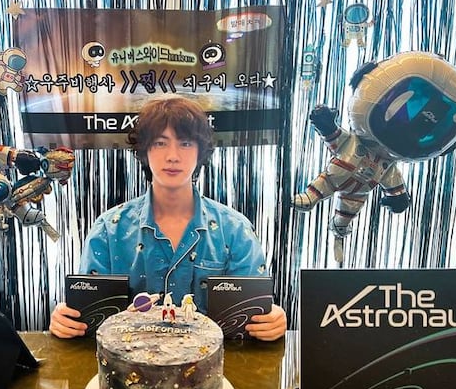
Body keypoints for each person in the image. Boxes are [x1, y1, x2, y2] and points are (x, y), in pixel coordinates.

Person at [50, 96, 287, 341]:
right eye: (160, 143)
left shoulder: (235, 230)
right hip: (128, 362)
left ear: (200, 151)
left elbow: (253, 313)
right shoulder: (109, 229)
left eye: (185, 143)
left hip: (216, 362)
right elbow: (90, 313)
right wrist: (68, 319)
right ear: (144, 150)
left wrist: (271, 320)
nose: (173, 156)